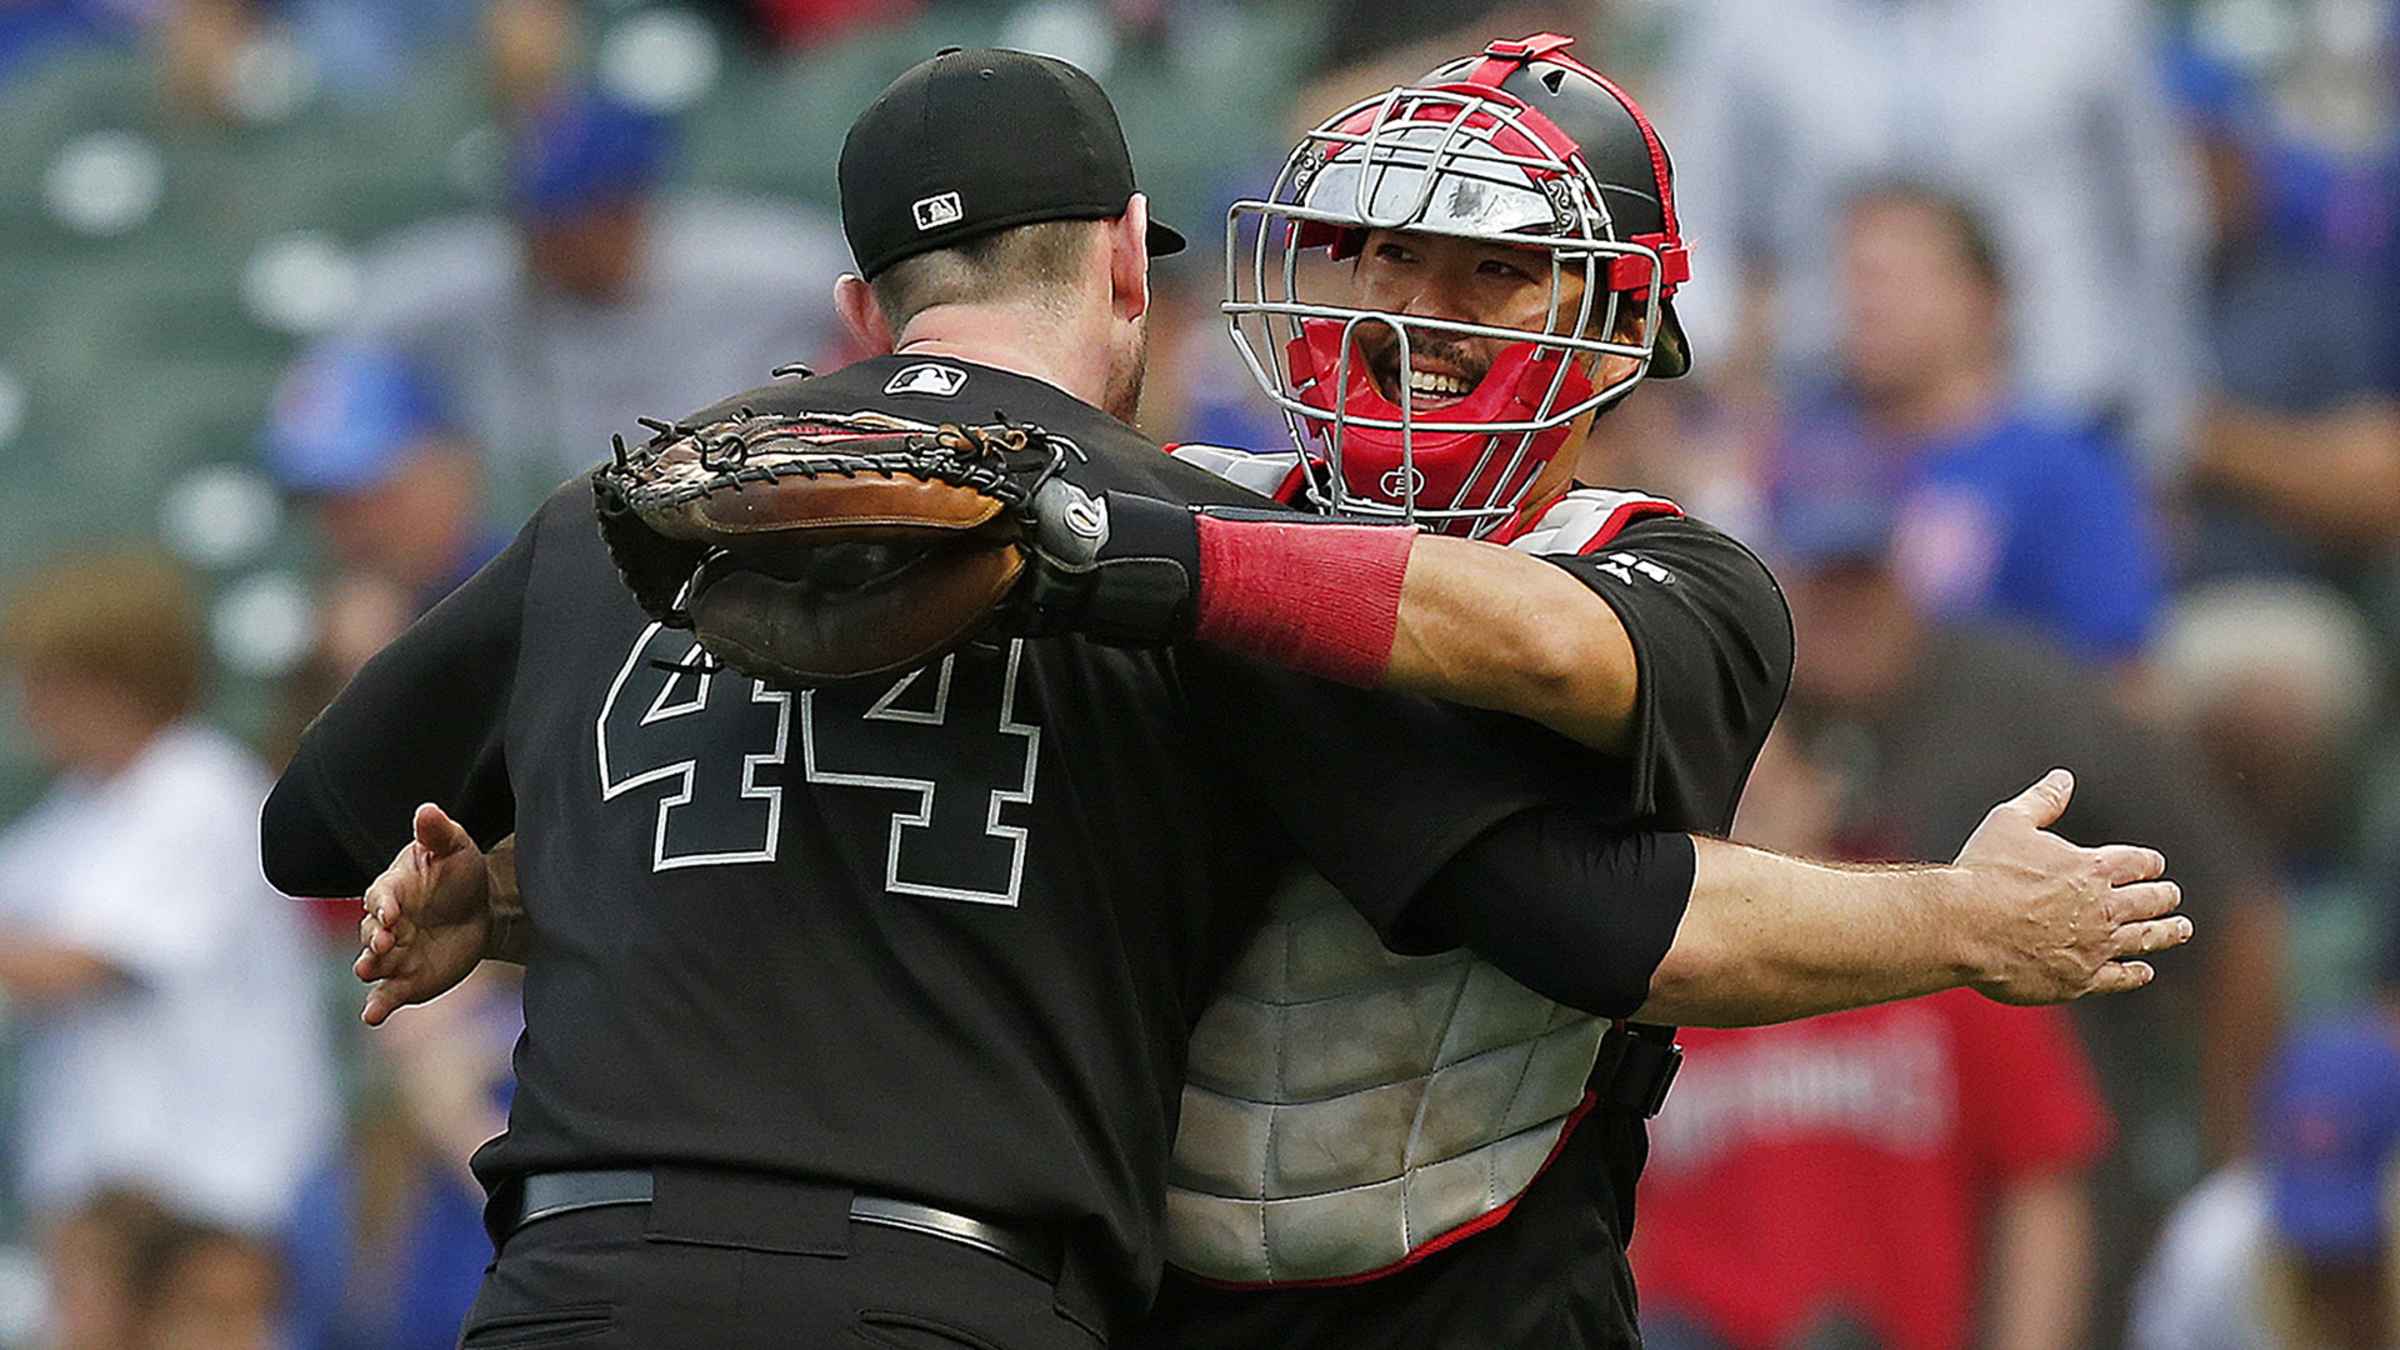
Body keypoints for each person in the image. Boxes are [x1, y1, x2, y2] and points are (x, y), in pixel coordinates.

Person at [297, 46, 2185, 1350]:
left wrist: (1951, 918)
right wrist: (541, 897)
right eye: (1377, 251)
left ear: (1617, 319)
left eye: (1488, 271)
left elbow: (1570, 800)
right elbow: (934, 824)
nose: (1409, 307)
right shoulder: (1165, 521)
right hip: (1141, 1309)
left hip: (1480, 1311)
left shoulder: (1676, 572)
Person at [1632, 734, 2113, 1350]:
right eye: (1711, 788)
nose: (1735, 811)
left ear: (1826, 783)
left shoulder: (1950, 946)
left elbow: (2040, 1184)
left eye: (1762, 780)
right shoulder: (1649, 972)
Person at [1663, 0, 2206, 468]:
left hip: (2063, 403)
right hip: (1836, 420)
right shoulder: (1747, 22)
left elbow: (2153, 226)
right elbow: (1699, 215)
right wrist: (1718, 395)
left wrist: (2160, 433)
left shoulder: (2085, 17)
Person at [0, 552, 336, 1249]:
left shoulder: (201, 792)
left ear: (112, 682)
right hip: (100, 1213)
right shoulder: (72, 813)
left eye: (45, 681)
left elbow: (73, 966)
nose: (27, 705)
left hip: (215, 1204)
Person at [343, 85, 851, 491]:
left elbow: (873, 303)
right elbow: (354, 326)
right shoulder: (472, 287)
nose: (541, 238)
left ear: (624, 209)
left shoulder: (758, 267)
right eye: (531, 217)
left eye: (565, 219)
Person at [1770, 185, 2164, 665]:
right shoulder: (1799, 448)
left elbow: (2119, 670)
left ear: (1985, 298)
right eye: (1853, 279)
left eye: (1896, 280)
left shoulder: (2063, 470)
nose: (1866, 306)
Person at [263, 342, 507, 614]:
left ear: (454, 469)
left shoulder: (535, 592)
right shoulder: (312, 624)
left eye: (374, 494)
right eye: (327, 505)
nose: (359, 529)